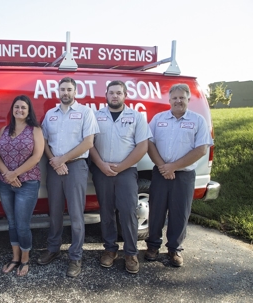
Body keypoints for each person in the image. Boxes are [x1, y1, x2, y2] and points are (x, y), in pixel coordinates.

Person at [145, 83, 213, 267]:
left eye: (182, 97)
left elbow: (201, 149)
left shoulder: (198, 121)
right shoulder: (159, 119)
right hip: (160, 173)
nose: (178, 101)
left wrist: (173, 167)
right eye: (174, 98)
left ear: (188, 99)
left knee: (180, 214)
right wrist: (162, 167)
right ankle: (152, 246)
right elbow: (148, 143)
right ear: (169, 100)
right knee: (156, 211)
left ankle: (174, 249)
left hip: (184, 175)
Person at [38, 77, 99, 277]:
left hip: (76, 166)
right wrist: (54, 161)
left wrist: (63, 159)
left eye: (69, 89)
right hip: (55, 168)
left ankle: (75, 256)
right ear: (58, 91)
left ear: (75, 91)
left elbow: (88, 142)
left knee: (75, 214)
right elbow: (44, 141)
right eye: (62, 89)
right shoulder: (50, 114)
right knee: (54, 212)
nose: (65, 92)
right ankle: (53, 249)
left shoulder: (85, 112)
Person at [89, 80, 152, 274]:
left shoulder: (136, 117)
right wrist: (101, 165)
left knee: (128, 212)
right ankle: (110, 250)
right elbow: (89, 143)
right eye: (111, 93)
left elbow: (142, 146)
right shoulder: (96, 116)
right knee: (106, 212)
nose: (115, 96)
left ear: (125, 95)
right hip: (102, 171)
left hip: (126, 172)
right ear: (106, 95)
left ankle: (131, 253)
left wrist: (121, 167)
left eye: (119, 93)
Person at [0, 95, 44, 277]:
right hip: (6, 183)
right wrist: (8, 174)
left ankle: (25, 259)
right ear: (12, 109)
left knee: (22, 225)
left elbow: (37, 156)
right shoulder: (4, 130)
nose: (20, 110)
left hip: (28, 183)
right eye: (17, 107)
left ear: (29, 111)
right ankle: (15, 258)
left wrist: (16, 173)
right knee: (12, 223)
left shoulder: (35, 130)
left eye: (23, 107)